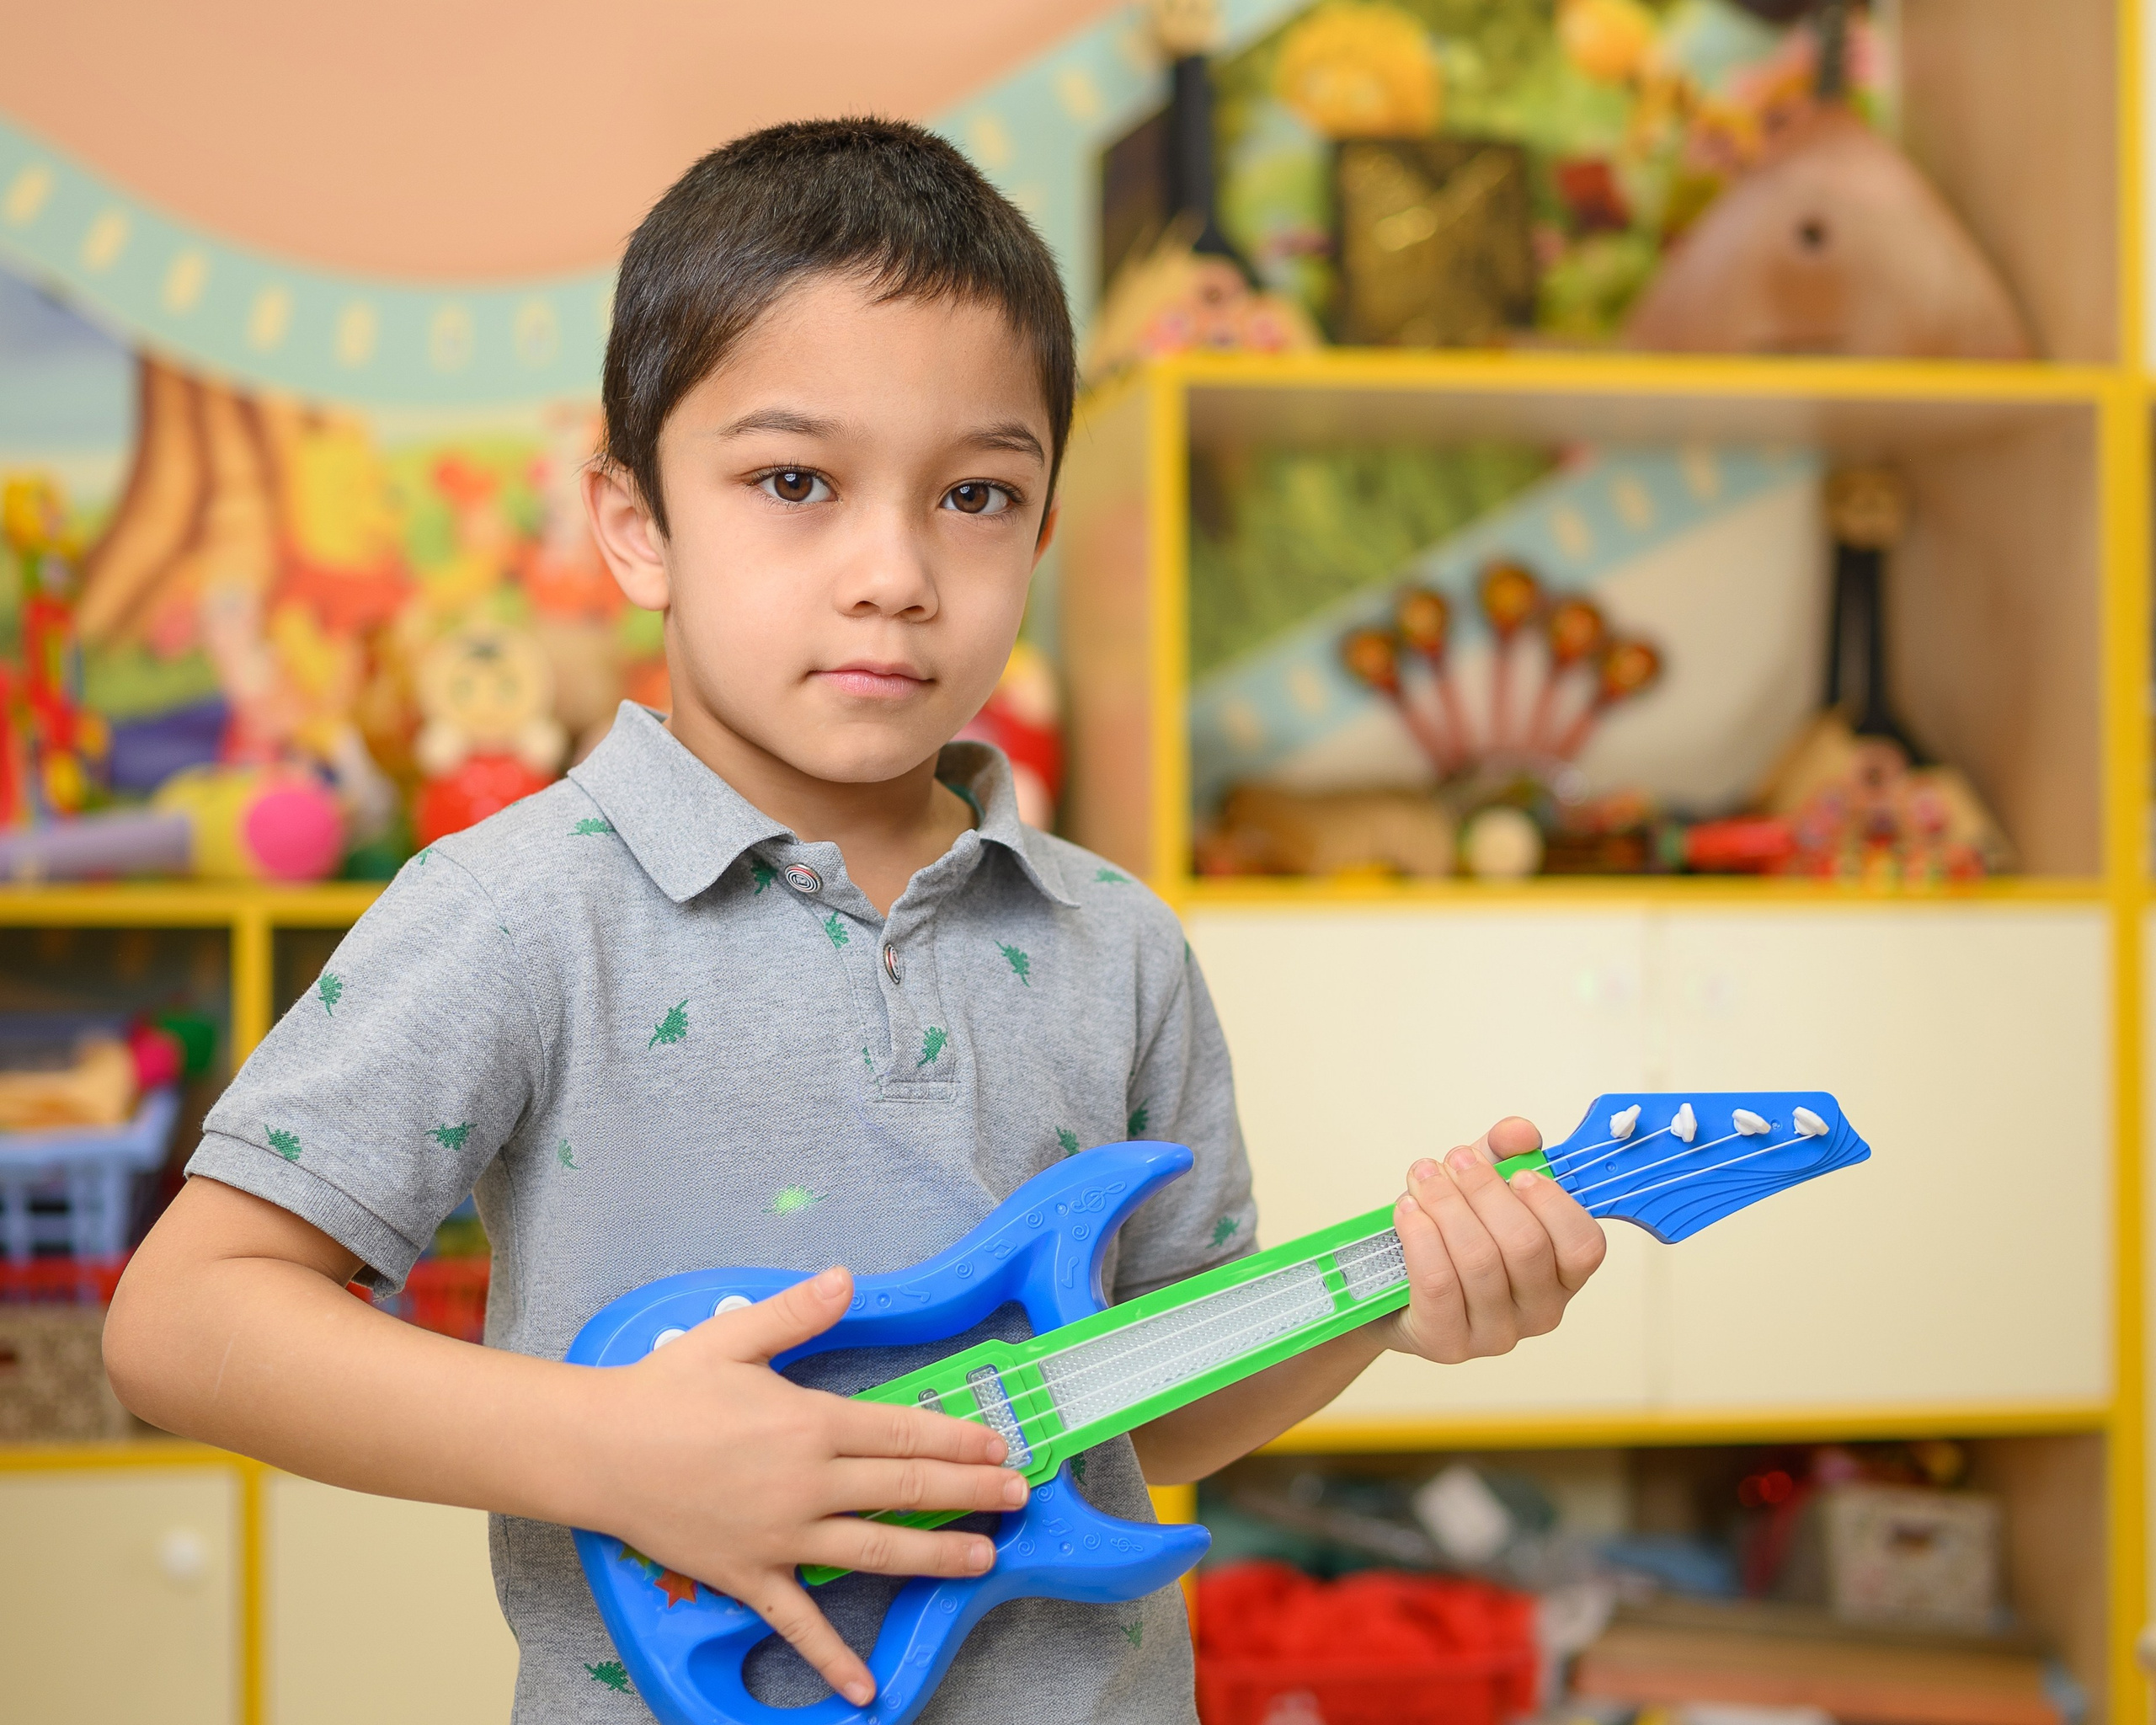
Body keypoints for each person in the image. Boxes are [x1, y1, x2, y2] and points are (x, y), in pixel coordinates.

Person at [103, 119, 1605, 1722]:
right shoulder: (516, 906)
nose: (893, 571)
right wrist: (617, 1453)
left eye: (973, 493)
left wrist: (1396, 1310)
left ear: (1037, 531)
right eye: (794, 481)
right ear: (634, 522)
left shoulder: (1120, 942)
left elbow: (1139, 1421)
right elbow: (184, 1322)